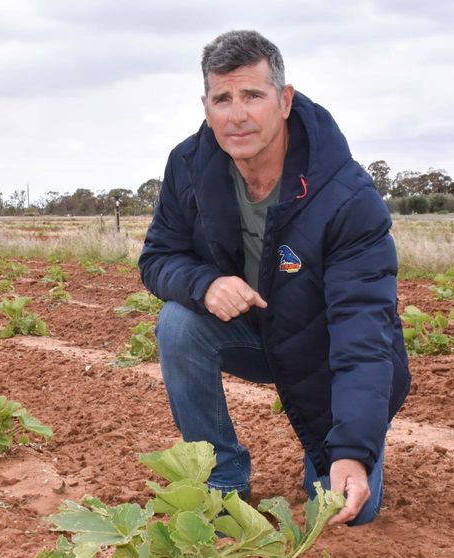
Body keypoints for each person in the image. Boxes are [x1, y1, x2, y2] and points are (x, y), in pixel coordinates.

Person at [138, 30, 411, 526]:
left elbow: (362, 327)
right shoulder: (189, 166)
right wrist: (204, 284)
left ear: (284, 101)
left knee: (346, 511)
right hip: (254, 334)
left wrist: (352, 451)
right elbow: (159, 256)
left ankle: (353, 443)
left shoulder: (346, 196)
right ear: (205, 106)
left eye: (252, 95)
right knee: (179, 323)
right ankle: (222, 478)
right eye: (222, 99)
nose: (236, 114)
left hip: (323, 350)